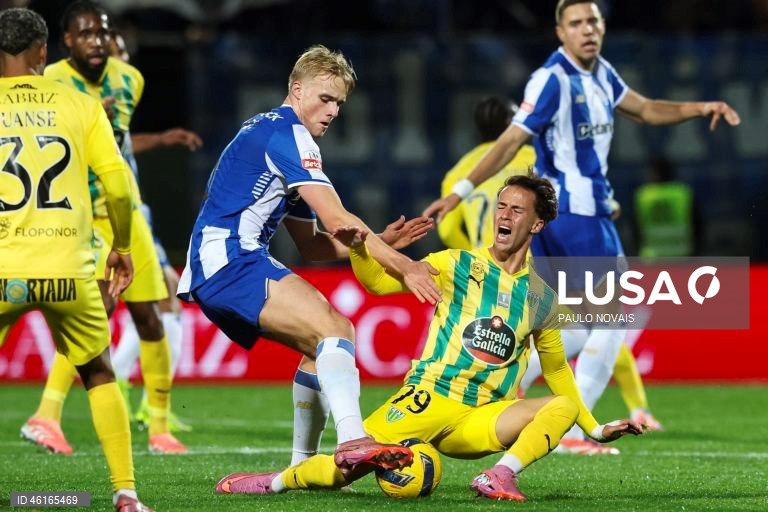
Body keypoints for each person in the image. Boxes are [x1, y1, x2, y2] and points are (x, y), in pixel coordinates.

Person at [423, 0, 739, 454]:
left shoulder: (602, 74)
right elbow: (512, 137)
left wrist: (699, 106)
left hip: (575, 215)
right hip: (575, 216)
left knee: (569, 323)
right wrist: (459, 193)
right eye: (576, 23)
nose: (587, 29)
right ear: (560, 32)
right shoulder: (551, 79)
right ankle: (572, 430)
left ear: (603, 25)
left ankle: (497, 387)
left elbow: (647, 109)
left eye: (592, 20)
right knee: (614, 319)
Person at [213, 175, 643, 501]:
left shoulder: (542, 300)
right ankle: (272, 482)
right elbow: (379, 285)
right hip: (426, 399)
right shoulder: (457, 265)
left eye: (517, 210)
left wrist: (595, 428)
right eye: (502, 206)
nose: (504, 216)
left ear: (537, 224)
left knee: (562, 404)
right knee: (344, 468)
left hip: (480, 419)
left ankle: (500, 474)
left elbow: (557, 372)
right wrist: (366, 247)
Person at [177, 44, 442, 476]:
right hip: (230, 258)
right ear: (297, 90)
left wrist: (373, 240)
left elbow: (316, 246)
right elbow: (337, 217)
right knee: (337, 329)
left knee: (321, 351)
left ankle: (299, 471)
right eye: (326, 98)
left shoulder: (274, 134)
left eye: (340, 103)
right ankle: (354, 439)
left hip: (224, 262)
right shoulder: (290, 136)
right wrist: (404, 264)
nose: (334, 111)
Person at [0, 8, 152, 511]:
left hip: (3, 270)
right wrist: (123, 247)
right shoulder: (78, 102)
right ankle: (126, 495)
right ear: (44, 51)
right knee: (99, 373)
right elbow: (117, 186)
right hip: (68, 269)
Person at [20, 0, 186, 455]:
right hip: (80, 215)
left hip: (126, 211)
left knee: (152, 315)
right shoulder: (48, 81)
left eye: (103, 32)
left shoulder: (130, 79)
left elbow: (122, 144)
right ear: (66, 41)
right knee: (93, 314)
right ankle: (46, 414)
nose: (98, 41)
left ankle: (158, 427)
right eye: (87, 34)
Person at [104, 27, 202, 433]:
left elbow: (123, 145)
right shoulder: (95, 99)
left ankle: (136, 397)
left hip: (134, 208)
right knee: (149, 300)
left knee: (160, 300)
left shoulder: (116, 104)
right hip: (114, 210)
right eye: (116, 51)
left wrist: (161, 138)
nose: (123, 56)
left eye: (123, 50)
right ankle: (119, 392)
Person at [438, 96, 535, 250]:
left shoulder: (459, 171)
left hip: (486, 268)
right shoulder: (534, 158)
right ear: (512, 124)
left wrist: (475, 256)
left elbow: (447, 232)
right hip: (531, 263)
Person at [634, 157, 697, 257]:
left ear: (655, 173)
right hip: (681, 256)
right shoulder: (682, 193)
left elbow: (636, 230)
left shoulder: (644, 195)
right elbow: (697, 225)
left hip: (652, 258)